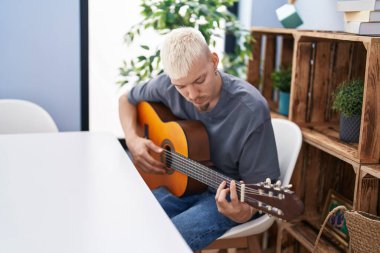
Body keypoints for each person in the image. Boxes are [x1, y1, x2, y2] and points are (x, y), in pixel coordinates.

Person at [119, 27, 280, 251]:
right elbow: (126, 99)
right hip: (182, 185)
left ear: (214, 61)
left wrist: (246, 211)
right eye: (181, 86)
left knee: (166, 241)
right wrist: (133, 140)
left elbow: (265, 192)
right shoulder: (167, 86)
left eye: (199, 80)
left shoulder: (250, 109)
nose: (192, 94)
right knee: (128, 219)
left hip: (227, 198)